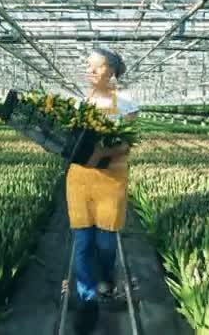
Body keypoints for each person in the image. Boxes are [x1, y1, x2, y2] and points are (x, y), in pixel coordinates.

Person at [66, 48, 139, 334]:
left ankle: (106, 275)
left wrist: (102, 153)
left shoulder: (127, 103)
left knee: (106, 242)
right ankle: (87, 300)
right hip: (80, 179)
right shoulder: (78, 104)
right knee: (83, 243)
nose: (90, 71)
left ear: (110, 71)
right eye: (88, 66)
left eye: (95, 67)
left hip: (111, 180)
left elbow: (128, 143)